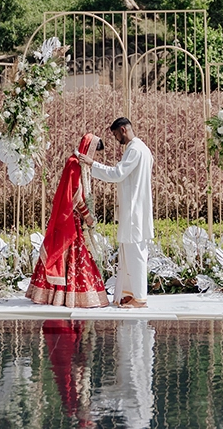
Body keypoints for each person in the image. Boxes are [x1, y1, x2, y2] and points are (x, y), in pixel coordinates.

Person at [26, 133, 110, 308]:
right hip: (70, 219)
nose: (93, 157)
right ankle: (67, 297)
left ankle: (58, 296)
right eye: (93, 152)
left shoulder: (77, 164)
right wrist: (87, 216)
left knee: (71, 255)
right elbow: (75, 196)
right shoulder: (75, 164)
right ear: (87, 149)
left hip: (71, 217)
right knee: (73, 255)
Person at [78, 117, 153, 309]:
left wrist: (92, 164)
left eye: (116, 134)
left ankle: (140, 298)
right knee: (128, 253)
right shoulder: (142, 149)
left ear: (123, 130)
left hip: (134, 210)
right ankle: (130, 294)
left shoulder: (135, 149)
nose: (116, 139)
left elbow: (117, 174)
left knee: (135, 254)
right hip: (134, 208)